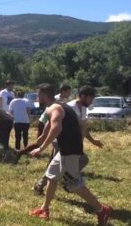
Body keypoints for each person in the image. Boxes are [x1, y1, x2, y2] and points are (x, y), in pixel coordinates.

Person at [28, 84, 112, 225]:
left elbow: (56, 127)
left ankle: (101, 209)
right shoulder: (55, 106)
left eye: (38, 94)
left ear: (44, 95)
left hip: (70, 150)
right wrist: (42, 135)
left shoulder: (55, 107)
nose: (37, 97)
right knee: (52, 176)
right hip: (65, 149)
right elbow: (52, 122)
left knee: (72, 183)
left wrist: (41, 148)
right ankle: (44, 209)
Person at [33, 86, 103, 195]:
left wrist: (93, 141)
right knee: (59, 166)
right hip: (61, 140)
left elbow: (82, 127)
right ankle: (63, 182)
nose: (92, 101)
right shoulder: (70, 106)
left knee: (58, 165)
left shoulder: (83, 108)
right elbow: (51, 120)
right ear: (83, 96)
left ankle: (46, 186)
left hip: (72, 142)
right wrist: (43, 136)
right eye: (91, 98)